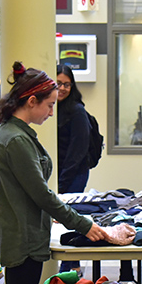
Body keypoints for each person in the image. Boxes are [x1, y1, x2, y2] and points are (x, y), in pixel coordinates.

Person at [0, 61, 107, 284]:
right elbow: (40, 193)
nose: (52, 112)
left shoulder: (12, 133)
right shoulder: (16, 140)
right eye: (49, 105)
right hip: (23, 238)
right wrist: (83, 225)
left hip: (21, 231)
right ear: (32, 101)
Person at [56, 64, 92, 194]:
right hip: (57, 171)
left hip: (73, 173)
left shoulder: (77, 111)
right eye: (58, 83)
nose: (62, 88)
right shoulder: (50, 109)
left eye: (67, 84)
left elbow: (77, 151)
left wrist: (62, 183)